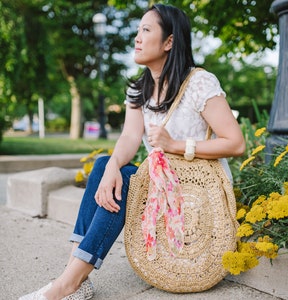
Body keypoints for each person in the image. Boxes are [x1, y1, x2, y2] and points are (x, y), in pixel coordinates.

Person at [19, 4, 245, 300]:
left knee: (125, 177)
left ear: (169, 42)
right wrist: (113, 164)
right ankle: (74, 280)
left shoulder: (199, 82)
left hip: (194, 194)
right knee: (105, 166)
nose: (137, 38)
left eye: (146, 30)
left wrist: (175, 145)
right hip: (161, 184)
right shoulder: (140, 89)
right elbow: (129, 136)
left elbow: (236, 143)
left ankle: (67, 284)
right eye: (138, 30)